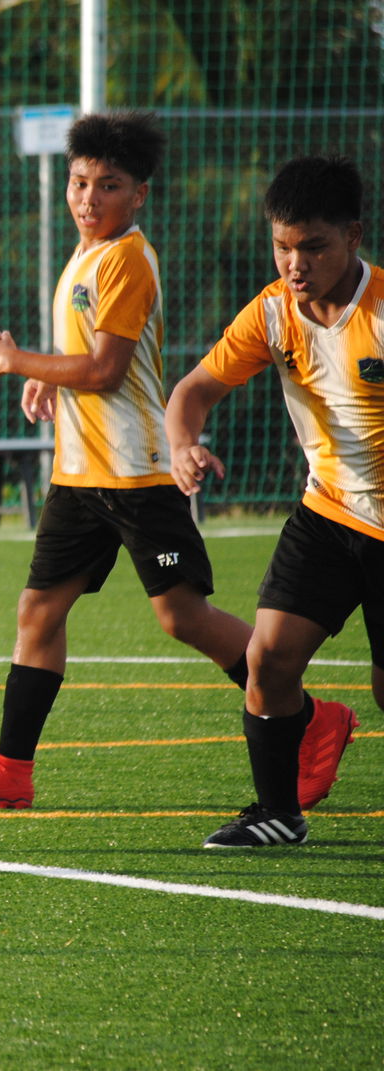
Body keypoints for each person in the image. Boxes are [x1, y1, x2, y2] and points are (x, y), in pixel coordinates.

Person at [0, 112, 355, 811]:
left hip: (138, 471)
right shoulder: (86, 253)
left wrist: (14, 359)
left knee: (182, 616)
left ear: (139, 194)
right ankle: (12, 765)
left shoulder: (126, 258)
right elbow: (85, 355)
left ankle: (310, 716)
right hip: (82, 474)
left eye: (108, 185)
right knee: (39, 609)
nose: (88, 198)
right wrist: (47, 373)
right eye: (79, 182)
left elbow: (107, 369)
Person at [166, 154, 377, 847]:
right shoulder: (272, 313)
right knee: (269, 659)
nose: (295, 261)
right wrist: (182, 445)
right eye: (283, 245)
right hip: (327, 514)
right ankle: (278, 811)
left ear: (353, 234)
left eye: (312, 245)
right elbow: (192, 392)